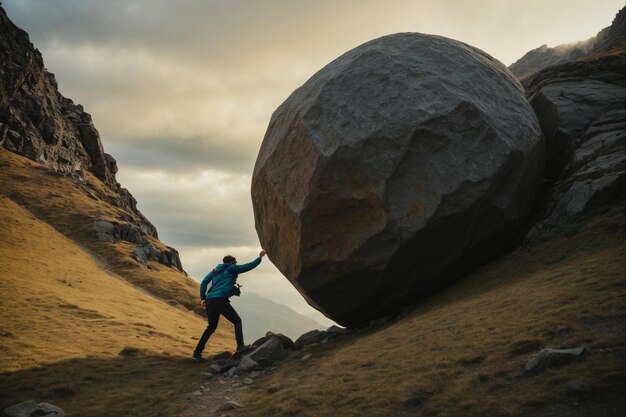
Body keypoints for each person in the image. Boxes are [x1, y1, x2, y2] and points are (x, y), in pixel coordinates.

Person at [192, 250, 266, 362]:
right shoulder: (231, 268)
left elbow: (204, 283)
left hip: (210, 300)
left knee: (211, 328)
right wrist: (259, 258)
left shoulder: (214, 271)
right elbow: (247, 267)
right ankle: (240, 346)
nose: (236, 265)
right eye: (235, 263)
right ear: (231, 262)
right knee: (237, 320)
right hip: (220, 299)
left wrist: (203, 298)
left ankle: (197, 354)